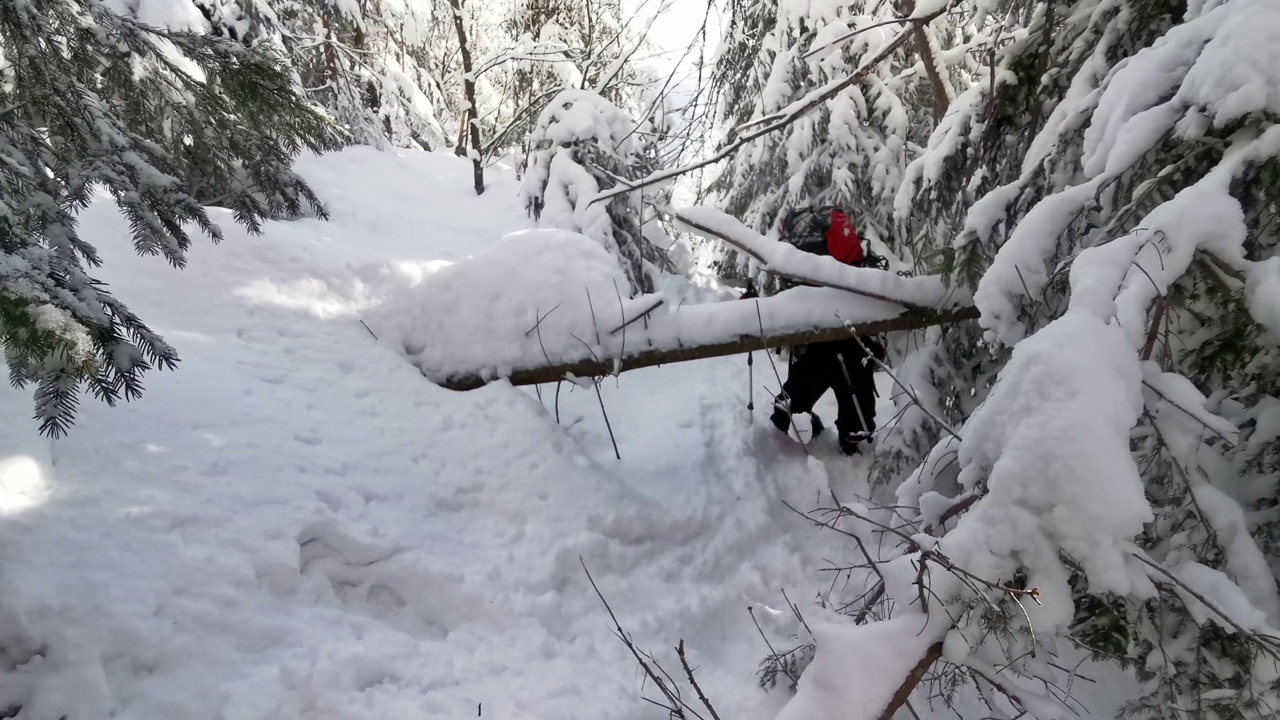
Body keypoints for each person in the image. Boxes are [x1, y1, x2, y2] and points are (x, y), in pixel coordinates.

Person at [744, 206, 886, 455]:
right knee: (852, 427)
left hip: (833, 353)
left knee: (791, 416)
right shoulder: (853, 270)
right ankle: (847, 444)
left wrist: (752, 308)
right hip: (844, 352)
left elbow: (785, 305)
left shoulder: (807, 272)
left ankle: (846, 446)